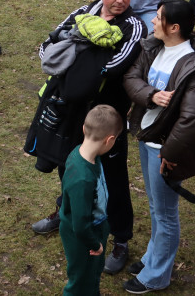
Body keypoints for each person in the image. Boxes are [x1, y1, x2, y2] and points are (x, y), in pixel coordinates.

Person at [27, 0, 145, 274]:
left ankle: (120, 239)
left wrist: (78, 61)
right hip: (70, 110)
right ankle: (65, 213)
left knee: (113, 176)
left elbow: (116, 65)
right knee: (69, 165)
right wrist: (80, 63)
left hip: (108, 117)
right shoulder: (83, 11)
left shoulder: (134, 26)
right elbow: (47, 47)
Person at [122, 0, 195, 294]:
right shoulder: (154, 46)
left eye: (159, 17)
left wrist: (170, 154)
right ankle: (153, 257)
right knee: (156, 206)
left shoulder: (193, 65)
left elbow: (192, 120)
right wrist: (152, 95)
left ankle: (156, 276)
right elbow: (131, 78)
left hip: (164, 149)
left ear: (174, 27)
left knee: (165, 212)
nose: (152, 21)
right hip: (147, 137)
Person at [59, 105, 123, 295]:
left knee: (92, 274)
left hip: (95, 227)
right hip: (84, 237)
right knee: (80, 281)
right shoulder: (82, 178)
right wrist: (95, 244)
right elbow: (80, 224)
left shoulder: (88, 154)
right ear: (109, 140)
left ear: (84, 129)